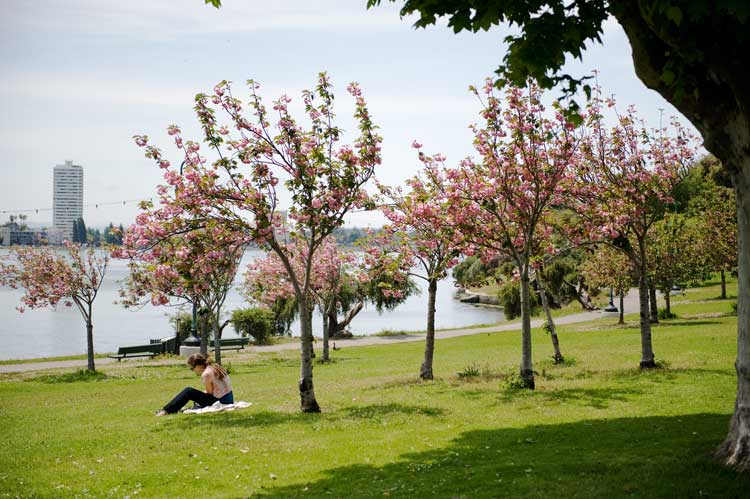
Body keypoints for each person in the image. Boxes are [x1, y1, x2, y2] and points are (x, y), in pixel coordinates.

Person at [155, 353, 234, 416]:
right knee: (193, 394)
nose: (193, 371)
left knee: (188, 391)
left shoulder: (206, 374)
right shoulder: (215, 366)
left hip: (221, 401)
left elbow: (210, 393)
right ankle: (170, 409)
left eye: (192, 368)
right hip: (228, 398)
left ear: (198, 366)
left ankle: (166, 411)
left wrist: (199, 396)